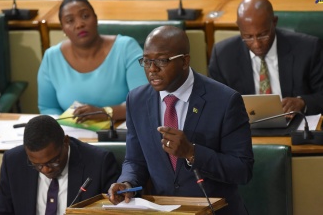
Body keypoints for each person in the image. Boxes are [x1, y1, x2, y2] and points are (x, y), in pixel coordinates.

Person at [108, 25, 254, 215]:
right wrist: (127, 182)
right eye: (146, 60)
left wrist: (192, 153)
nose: (152, 69)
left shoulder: (225, 101)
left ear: (185, 61)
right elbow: (135, 160)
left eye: (161, 60)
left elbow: (242, 170)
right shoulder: (136, 100)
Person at [37, 0, 148, 123]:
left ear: (95, 19)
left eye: (85, 16)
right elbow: (48, 107)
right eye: (70, 20)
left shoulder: (126, 48)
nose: (79, 24)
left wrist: (106, 113)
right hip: (71, 136)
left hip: (122, 131)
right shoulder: (51, 57)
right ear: (63, 29)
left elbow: (143, 101)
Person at [208, 0, 323, 115]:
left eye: (263, 35)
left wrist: (302, 102)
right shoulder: (222, 56)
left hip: (295, 125)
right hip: (244, 127)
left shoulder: (308, 49)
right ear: (239, 27)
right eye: (248, 37)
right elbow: (213, 101)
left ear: (274, 22)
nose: (257, 44)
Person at [0, 115, 120, 215]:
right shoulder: (13, 162)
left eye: (53, 161)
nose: (45, 169)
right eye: (36, 165)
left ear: (66, 142)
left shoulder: (99, 163)